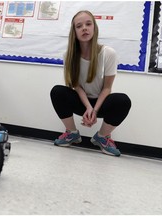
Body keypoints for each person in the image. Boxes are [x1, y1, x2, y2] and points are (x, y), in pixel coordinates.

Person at [50, 10, 131, 157]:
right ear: (74, 32)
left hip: (101, 102)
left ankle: (102, 137)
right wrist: (88, 107)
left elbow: (107, 88)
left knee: (122, 100)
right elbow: (76, 86)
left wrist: (94, 110)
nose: (84, 28)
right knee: (57, 91)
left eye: (88, 24)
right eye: (79, 26)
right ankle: (72, 133)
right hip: (82, 101)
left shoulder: (108, 53)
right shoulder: (68, 56)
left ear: (94, 28)